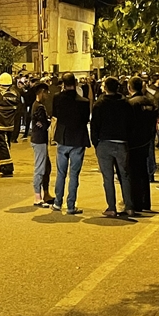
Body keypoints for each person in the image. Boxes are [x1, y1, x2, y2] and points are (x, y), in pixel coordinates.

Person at [91, 77, 135, 218]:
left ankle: (112, 207)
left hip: (105, 142)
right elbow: (131, 124)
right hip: (122, 142)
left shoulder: (100, 104)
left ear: (105, 88)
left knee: (108, 177)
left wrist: (96, 143)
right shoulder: (126, 104)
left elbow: (94, 125)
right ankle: (129, 206)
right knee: (125, 175)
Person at [51, 74, 91, 214]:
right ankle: (71, 205)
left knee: (61, 173)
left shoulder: (57, 98)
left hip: (63, 137)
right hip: (78, 140)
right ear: (75, 83)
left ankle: (57, 202)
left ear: (63, 83)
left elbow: (55, 114)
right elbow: (86, 120)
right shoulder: (84, 102)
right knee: (74, 174)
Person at [126, 76, 159, 212]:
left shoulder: (131, 103)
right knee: (144, 172)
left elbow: (128, 123)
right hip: (146, 140)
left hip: (134, 142)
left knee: (133, 172)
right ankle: (146, 202)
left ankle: (136, 202)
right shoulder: (150, 102)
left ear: (130, 88)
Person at [29, 82, 54, 206]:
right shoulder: (39, 107)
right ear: (42, 92)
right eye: (46, 93)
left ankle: (45, 193)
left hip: (39, 140)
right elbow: (43, 124)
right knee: (40, 168)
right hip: (39, 140)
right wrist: (48, 121)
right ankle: (37, 196)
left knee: (46, 167)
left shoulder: (36, 105)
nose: (47, 95)